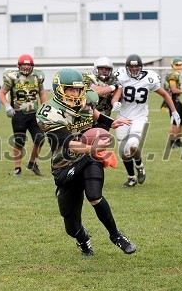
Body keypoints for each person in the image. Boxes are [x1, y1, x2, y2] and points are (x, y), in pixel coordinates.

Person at [36, 68, 137, 256]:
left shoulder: (86, 98)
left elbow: (93, 112)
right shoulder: (49, 112)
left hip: (89, 158)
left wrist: (110, 122)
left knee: (94, 195)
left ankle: (116, 235)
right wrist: (93, 148)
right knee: (71, 226)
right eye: (70, 90)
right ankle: (83, 239)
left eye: (79, 90)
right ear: (59, 91)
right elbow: (69, 145)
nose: (76, 94)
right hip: (64, 165)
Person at [115, 54, 180, 188]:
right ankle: (131, 177)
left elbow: (164, 94)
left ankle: (139, 165)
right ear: (127, 67)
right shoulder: (122, 78)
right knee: (123, 152)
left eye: (136, 66)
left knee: (133, 145)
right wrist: (115, 103)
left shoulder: (149, 79)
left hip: (139, 117)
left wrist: (174, 111)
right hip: (123, 117)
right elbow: (115, 95)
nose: (134, 69)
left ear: (141, 67)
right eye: (131, 66)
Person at [0, 54, 47, 177]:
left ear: (32, 66)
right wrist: (7, 106)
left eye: (28, 64)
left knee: (40, 139)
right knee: (19, 141)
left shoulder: (37, 76)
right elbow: (2, 93)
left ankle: (32, 163)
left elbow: (41, 92)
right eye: (24, 64)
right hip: (18, 113)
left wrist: (45, 106)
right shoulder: (12, 77)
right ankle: (17, 168)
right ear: (19, 66)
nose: (26, 67)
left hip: (34, 114)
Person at [83, 57, 122, 129]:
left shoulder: (113, 79)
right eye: (101, 69)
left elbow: (119, 88)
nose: (104, 71)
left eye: (107, 69)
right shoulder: (88, 77)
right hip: (87, 116)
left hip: (104, 116)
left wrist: (115, 102)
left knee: (103, 138)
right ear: (96, 69)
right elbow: (95, 92)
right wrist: (112, 87)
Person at [164, 57, 182, 148]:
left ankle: (177, 141)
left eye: (180, 65)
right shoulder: (173, 74)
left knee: (180, 121)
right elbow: (173, 90)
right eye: (177, 65)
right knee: (175, 121)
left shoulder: (176, 74)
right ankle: (172, 142)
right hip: (172, 101)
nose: (179, 66)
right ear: (172, 65)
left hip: (176, 100)